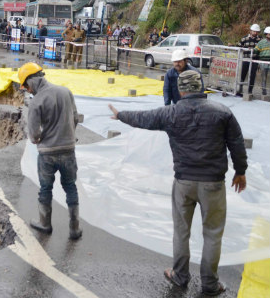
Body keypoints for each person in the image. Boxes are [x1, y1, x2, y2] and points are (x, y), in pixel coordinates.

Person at [108, 70, 247, 296]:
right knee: (212, 233)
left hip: (183, 182)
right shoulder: (222, 112)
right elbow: (237, 143)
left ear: (181, 90)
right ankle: (210, 284)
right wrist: (240, 171)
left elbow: (145, 118)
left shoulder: (171, 113)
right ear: (201, 87)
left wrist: (121, 115)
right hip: (213, 183)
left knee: (181, 231)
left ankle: (180, 275)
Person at [18, 62, 82, 239]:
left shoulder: (37, 101)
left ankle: (45, 224)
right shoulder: (65, 92)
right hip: (68, 149)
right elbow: (75, 118)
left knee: (45, 189)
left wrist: (40, 139)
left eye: (27, 87)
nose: (28, 91)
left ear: (32, 81)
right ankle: (75, 228)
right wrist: (67, 135)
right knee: (70, 187)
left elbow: (33, 135)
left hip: (47, 154)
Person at [238, 24, 261, 95]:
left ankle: (250, 91)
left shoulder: (260, 39)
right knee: (242, 74)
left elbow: (261, 49)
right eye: (254, 31)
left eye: (257, 32)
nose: (255, 33)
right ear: (251, 31)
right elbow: (238, 47)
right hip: (245, 59)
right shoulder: (244, 38)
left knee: (252, 75)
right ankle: (239, 89)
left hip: (255, 60)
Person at [253, 26, 270, 95]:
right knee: (264, 76)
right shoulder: (261, 42)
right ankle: (264, 90)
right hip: (263, 62)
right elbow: (256, 51)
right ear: (266, 34)